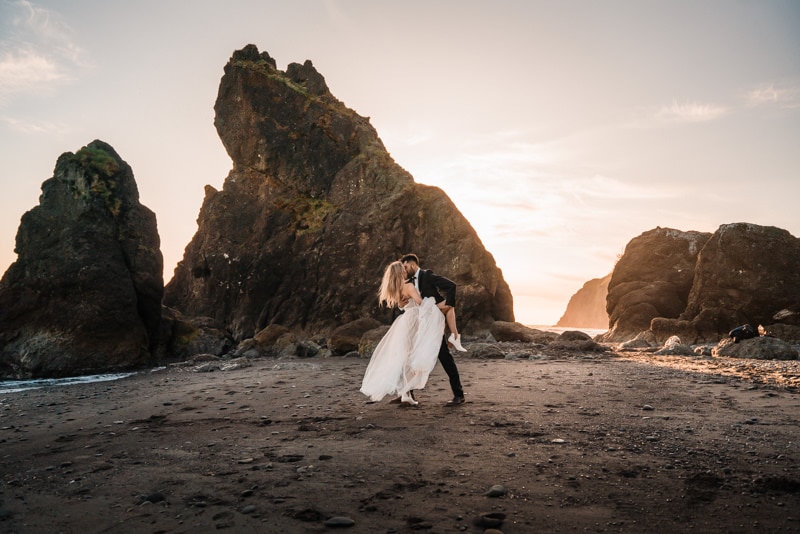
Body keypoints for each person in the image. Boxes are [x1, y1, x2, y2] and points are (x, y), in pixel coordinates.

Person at [360, 261, 446, 406]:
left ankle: (404, 392)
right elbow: (420, 303)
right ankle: (406, 393)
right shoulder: (409, 286)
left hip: (404, 322)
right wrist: (437, 304)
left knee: (404, 357)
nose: (406, 270)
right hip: (413, 321)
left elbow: (402, 306)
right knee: (411, 357)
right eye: (403, 269)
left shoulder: (396, 289)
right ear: (401, 273)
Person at [401, 253, 466, 406]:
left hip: (432, 325)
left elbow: (452, 286)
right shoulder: (408, 283)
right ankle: (406, 393)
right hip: (417, 325)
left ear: (412, 264)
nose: (404, 270)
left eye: (405, 267)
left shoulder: (427, 276)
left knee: (444, 357)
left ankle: (459, 395)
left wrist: (449, 305)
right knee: (408, 358)